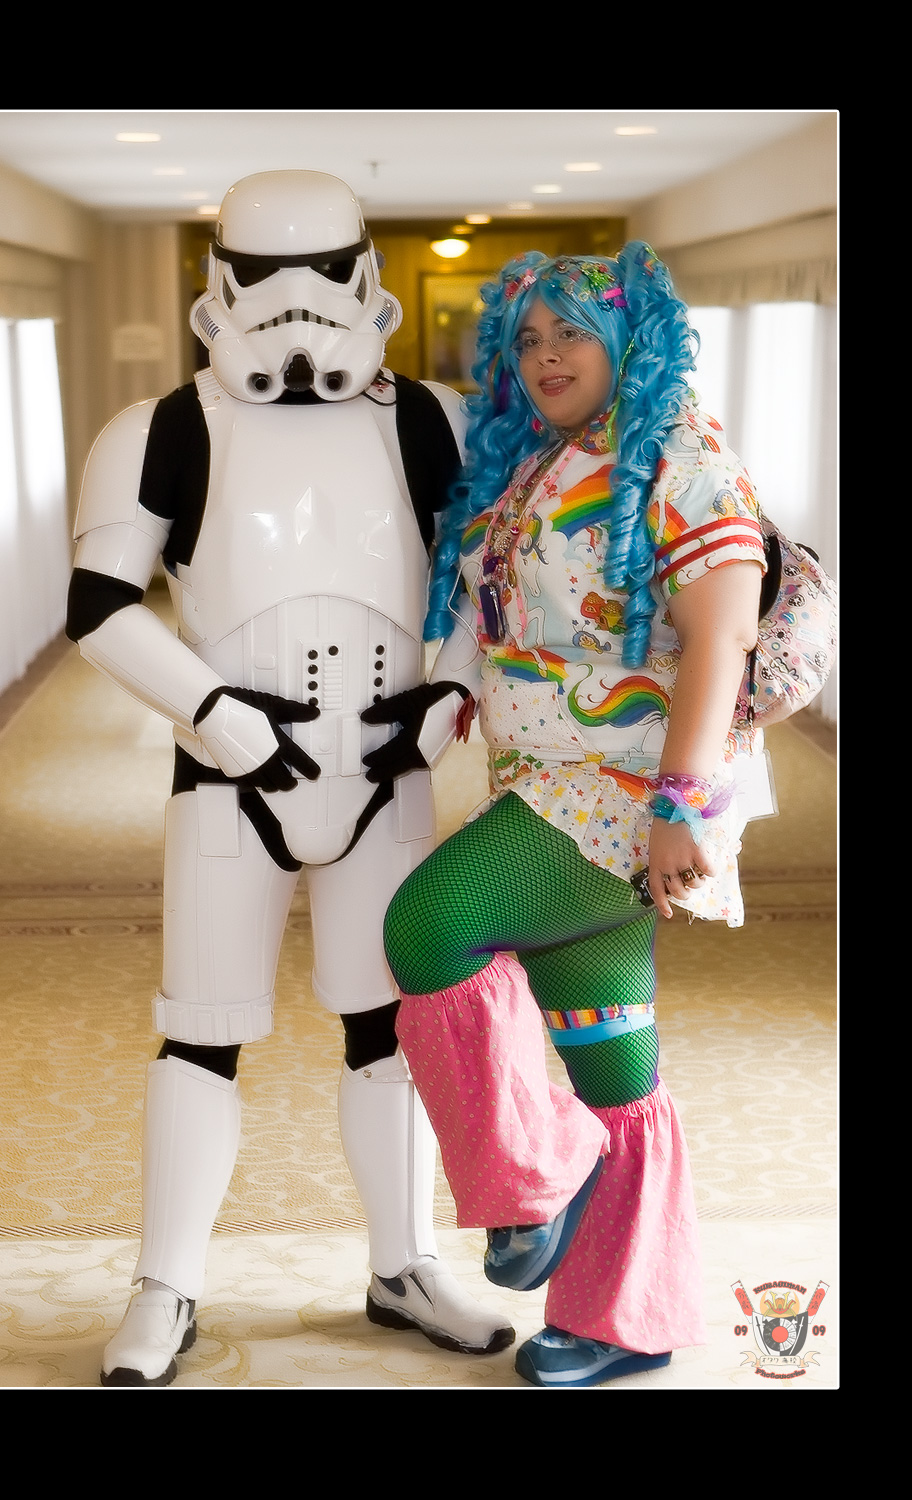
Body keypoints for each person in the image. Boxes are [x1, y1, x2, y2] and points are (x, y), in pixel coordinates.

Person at [66, 170, 513, 1387]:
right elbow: (100, 605)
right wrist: (218, 716)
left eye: (318, 270)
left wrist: (449, 696)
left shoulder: (434, 422)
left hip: (388, 771)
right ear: (219, 283)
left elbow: (492, 574)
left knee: (391, 1026)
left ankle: (405, 1263)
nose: (295, 302)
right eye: (265, 276)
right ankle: (165, 1285)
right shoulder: (161, 428)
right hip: (227, 783)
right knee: (200, 1035)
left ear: (367, 272)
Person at [382, 243, 767, 1389]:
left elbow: (721, 634)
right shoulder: (552, 456)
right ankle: (624, 1322)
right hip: (544, 781)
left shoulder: (682, 456)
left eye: (572, 333)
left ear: (630, 338)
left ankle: (540, 1175)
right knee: (614, 1069)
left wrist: (683, 805)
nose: (545, 356)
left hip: (620, 792)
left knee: (428, 925)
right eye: (528, 338)